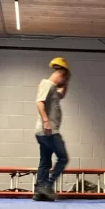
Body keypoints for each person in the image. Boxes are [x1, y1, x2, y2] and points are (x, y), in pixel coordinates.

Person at [33, 57, 71, 201]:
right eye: (64, 79)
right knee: (63, 157)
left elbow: (61, 94)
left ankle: (39, 191)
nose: (64, 82)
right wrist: (46, 121)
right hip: (49, 131)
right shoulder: (47, 84)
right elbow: (39, 103)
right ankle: (47, 185)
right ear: (60, 75)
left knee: (45, 161)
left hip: (44, 132)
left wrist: (66, 82)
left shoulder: (53, 88)